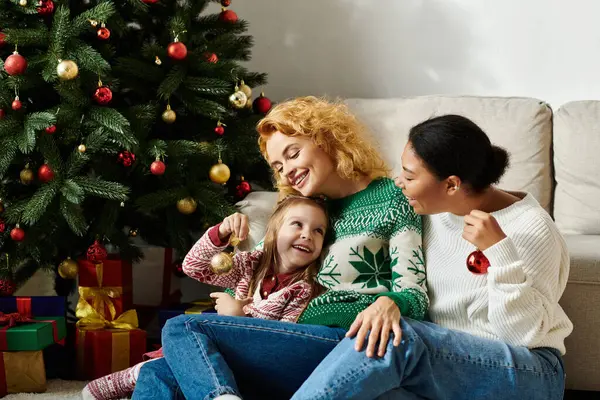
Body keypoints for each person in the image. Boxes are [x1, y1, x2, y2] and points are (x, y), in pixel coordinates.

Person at [132, 96, 426, 400]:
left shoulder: (393, 198)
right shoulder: (305, 210)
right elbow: (258, 270)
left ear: (326, 139)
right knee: (159, 373)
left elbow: (414, 296)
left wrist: (388, 303)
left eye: (293, 153)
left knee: (184, 328)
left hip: (342, 343)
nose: (287, 172)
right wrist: (236, 307)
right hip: (283, 339)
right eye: (278, 166)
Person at [291, 114, 573, 400]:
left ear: (451, 185)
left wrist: (500, 254)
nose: (399, 182)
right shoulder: (431, 211)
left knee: (395, 337)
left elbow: (523, 336)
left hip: (528, 372)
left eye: (410, 176)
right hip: (440, 368)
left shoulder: (531, 228)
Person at [83, 195, 328, 400]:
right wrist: (221, 232)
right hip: (213, 356)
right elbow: (194, 266)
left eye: (318, 231)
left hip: (246, 363)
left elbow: (279, 342)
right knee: (157, 371)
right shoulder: (250, 264)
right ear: (274, 231)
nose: (308, 235)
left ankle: (218, 394)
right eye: (297, 224)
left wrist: (238, 318)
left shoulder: (302, 289)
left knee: (178, 329)